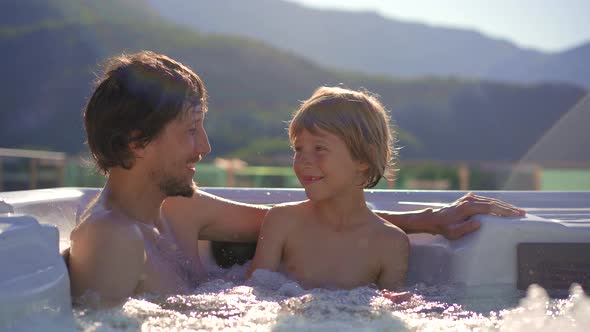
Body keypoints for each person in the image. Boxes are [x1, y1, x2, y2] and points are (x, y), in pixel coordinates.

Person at [69, 51, 525, 306]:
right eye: (191, 130)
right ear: (137, 141)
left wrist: (430, 220)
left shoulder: (180, 209)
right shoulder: (112, 239)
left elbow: (318, 218)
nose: (205, 147)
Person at [246, 86, 411, 299]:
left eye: (319, 148)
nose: (304, 160)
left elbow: (389, 312)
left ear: (362, 158)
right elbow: (251, 295)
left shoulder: (390, 242)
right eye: (298, 149)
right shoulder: (282, 222)